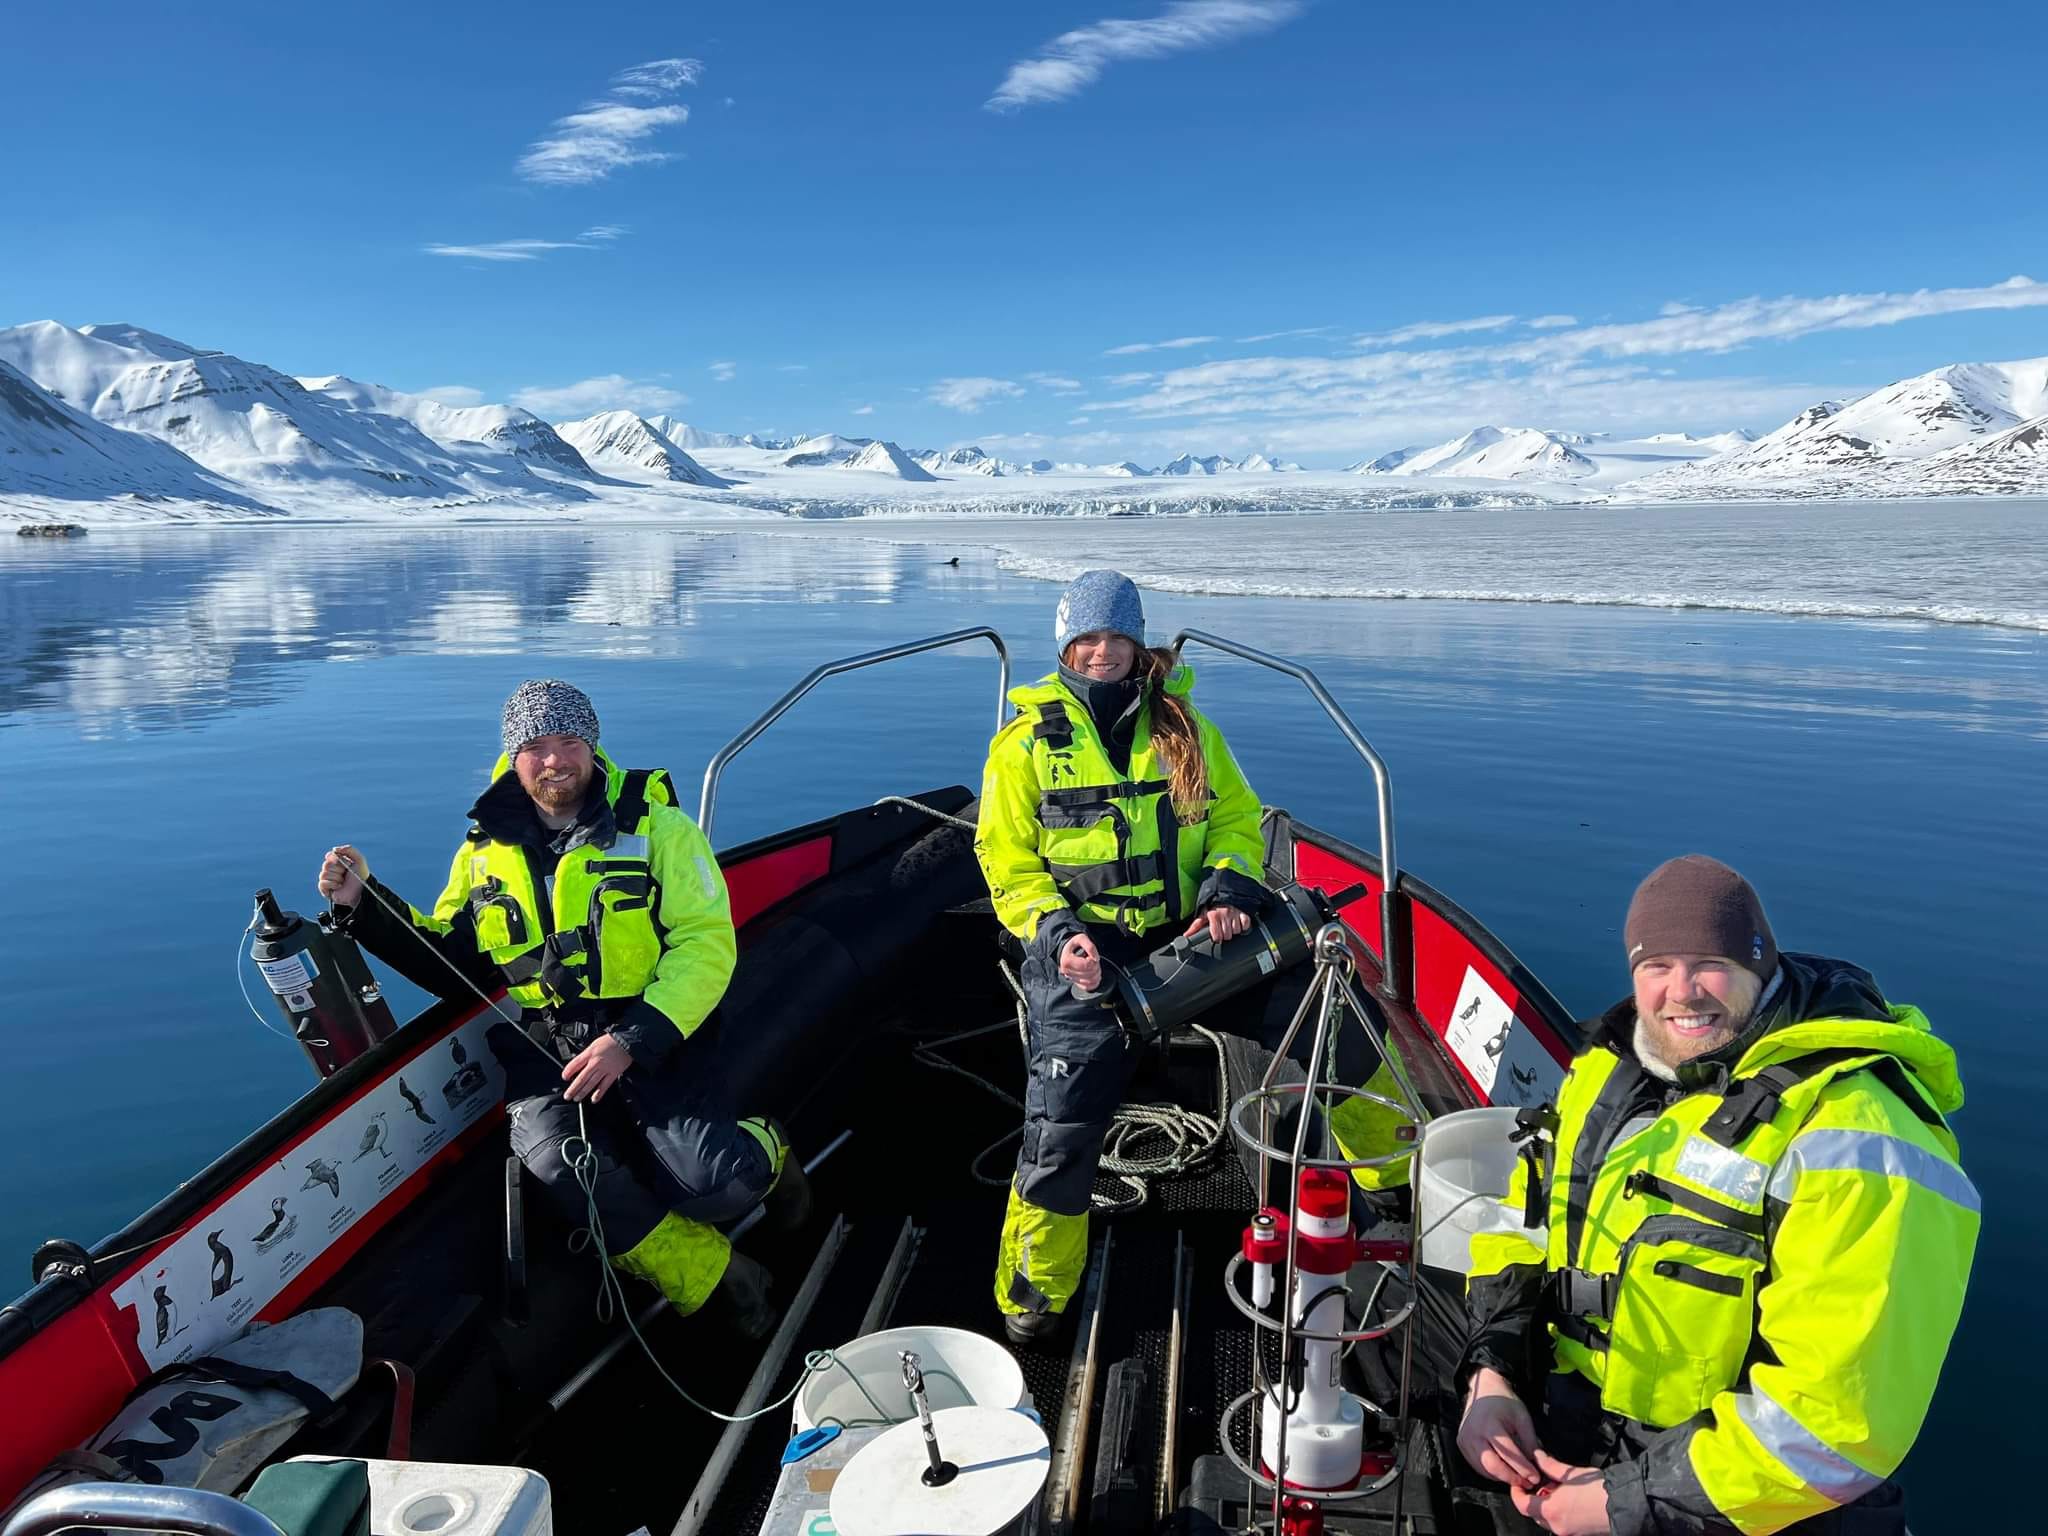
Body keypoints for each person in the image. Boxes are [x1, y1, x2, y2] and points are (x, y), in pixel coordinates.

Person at [1455, 855, 1977, 1535]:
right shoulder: (1604, 1073)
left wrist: (1625, 1503)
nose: (1682, 992)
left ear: (1760, 967)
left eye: (1709, 962)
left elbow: (1836, 1421)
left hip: (1754, 1505)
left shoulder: (1861, 1140)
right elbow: (1524, 1226)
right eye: (1656, 967)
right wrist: (1494, 1374)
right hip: (1583, 1446)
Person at [316, 679, 806, 1339]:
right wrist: (363, 902)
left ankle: (771, 1153)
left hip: (655, 1036)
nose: (554, 760)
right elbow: (455, 962)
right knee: (555, 1163)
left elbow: (706, 946)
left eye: (569, 741)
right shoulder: (482, 851)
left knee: (713, 1187)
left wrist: (632, 1039)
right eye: (536, 745)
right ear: (513, 757)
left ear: (592, 745)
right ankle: (722, 1277)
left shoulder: (658, 828)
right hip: (549, 1048)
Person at [976, 570, 1273, 1347]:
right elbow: (1006, 862)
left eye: (1115, 635)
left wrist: (1226, 888)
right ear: (1065, 645)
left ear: (1138, 641)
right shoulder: (1024, 746)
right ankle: (1038, 1286)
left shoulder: (1188, 728)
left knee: (1318, 1022)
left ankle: (1388, 1183)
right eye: (1086, 637)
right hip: (1082, 949)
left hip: (1191, 936)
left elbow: (1239, 818)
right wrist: (1058, 936)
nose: (1101, 650)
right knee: (1061, 1123)